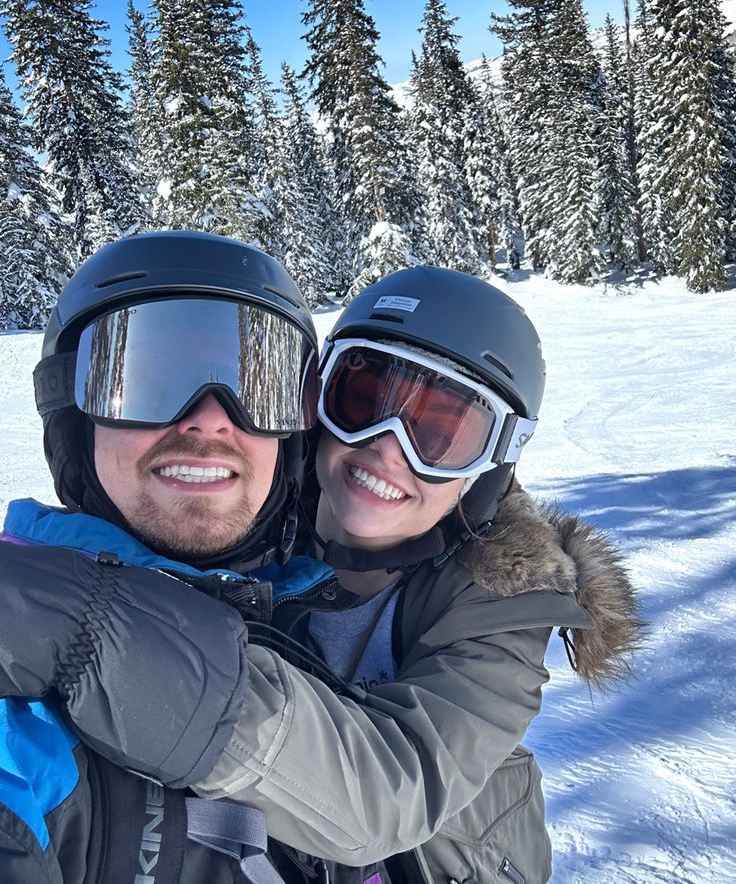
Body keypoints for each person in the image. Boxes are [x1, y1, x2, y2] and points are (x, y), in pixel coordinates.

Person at [0, 256, 643, 884]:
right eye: (363, 403)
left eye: (441, 435)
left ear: (489, 468)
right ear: (312, 405)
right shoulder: (250, 521)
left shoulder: (504, 603)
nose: (389, 450)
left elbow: (395, 792)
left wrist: (94, 629)